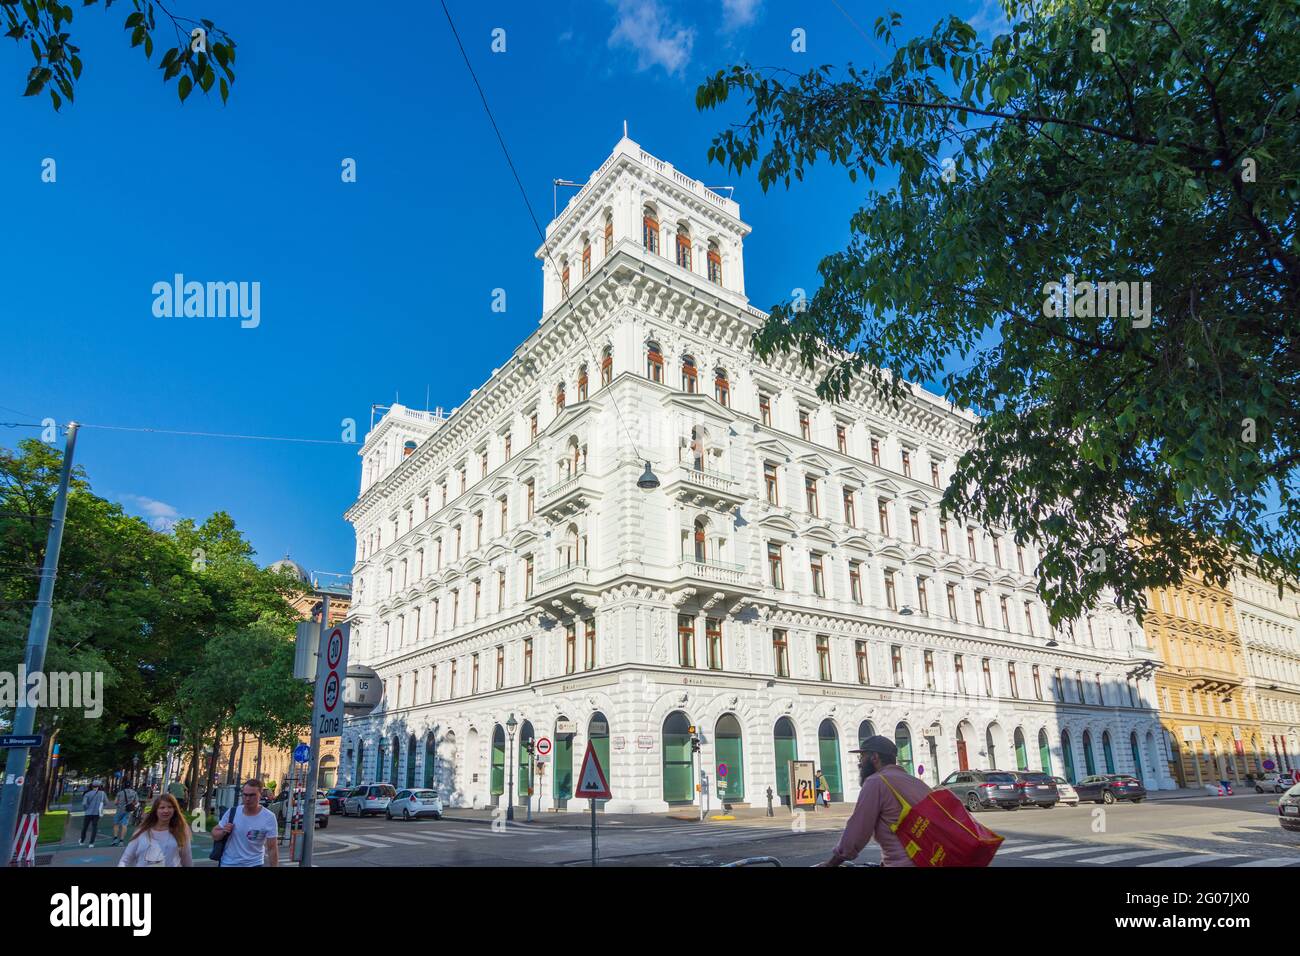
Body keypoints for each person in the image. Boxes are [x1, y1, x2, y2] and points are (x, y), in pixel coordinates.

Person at [819, 735, 934, 867]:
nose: (859, 763)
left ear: (874, 757)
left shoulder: (876, 782)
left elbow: (857, 831)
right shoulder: (915, 782)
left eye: (862, 757)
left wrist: (831, 863)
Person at [211, 779, 279, 867]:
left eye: (252, 795)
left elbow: (272, 848)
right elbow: (214, 834)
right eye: (245, 795)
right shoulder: (232, 812)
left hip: (254, 864)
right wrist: (223, 831)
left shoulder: (269, 817)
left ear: (260, 795)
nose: (247, 799)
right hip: (228, 863)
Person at [117, 793, 192, 867]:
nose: (166, 811)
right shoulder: (142, 831)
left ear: (175, 809)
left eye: (170, 807)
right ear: (155, 810)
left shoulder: (181, 830)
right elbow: (125, 859)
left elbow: (187, 859)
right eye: (162, 807)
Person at [78, 782, 107, 848]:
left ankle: (82, 841)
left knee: (85, 827)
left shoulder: (87, 794)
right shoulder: (102, 794)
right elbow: (106, 802)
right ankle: (91, 843)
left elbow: (84, 804)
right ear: (99, 786)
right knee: (94, 827)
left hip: (88, 813)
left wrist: (86, 809)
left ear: (91, 786)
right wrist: (101, 806)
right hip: (97, 813)